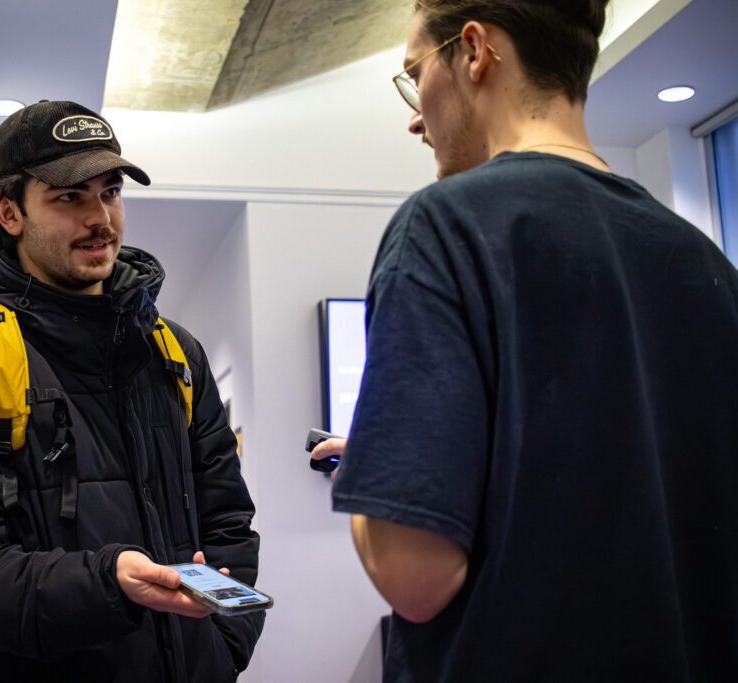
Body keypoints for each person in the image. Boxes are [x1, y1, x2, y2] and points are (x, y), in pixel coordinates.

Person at [314, 1, 738, 680]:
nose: (415, 115)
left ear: (475, 51)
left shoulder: (446, 228)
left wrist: (373, 470)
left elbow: (415, 576)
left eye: (415, 74)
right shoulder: (706, 262)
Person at [0, 100, 263, 682]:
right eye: (69, 197)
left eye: (110, 192)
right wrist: (108, 583)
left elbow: (229, 522)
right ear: (9, 213)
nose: (101, 219)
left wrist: (221, 649)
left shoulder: (175, 354)